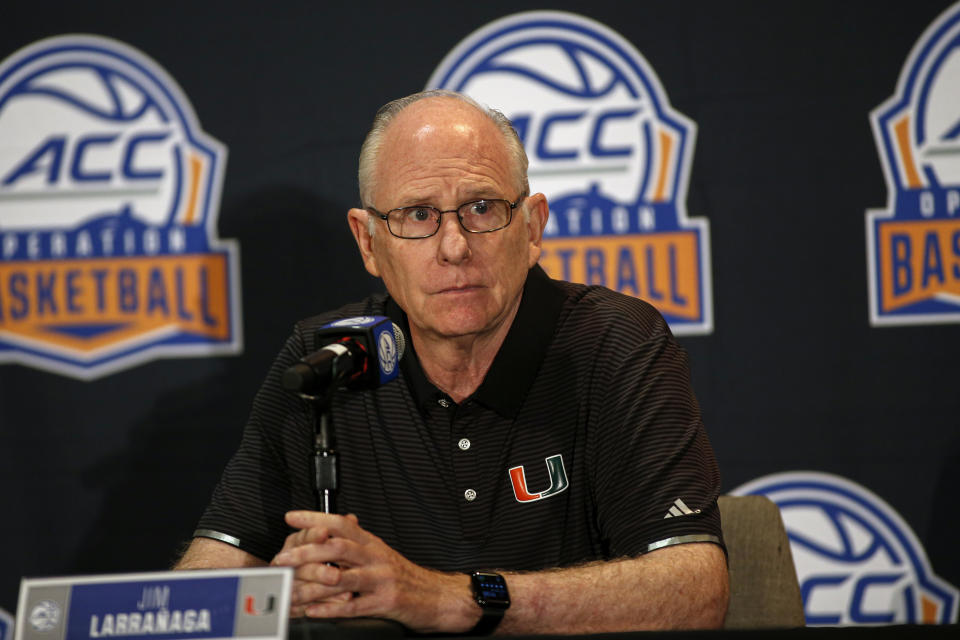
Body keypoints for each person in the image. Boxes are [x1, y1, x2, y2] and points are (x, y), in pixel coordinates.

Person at [176, 90, 729, 634]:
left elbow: (694, 589)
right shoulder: (329, 361)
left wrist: (447, 598)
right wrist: (257, 600)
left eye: (481, 209)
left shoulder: (613, 341)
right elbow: (216, 570)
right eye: (417, 215)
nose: (454, 247)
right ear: (368, 242)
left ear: (532, 227)